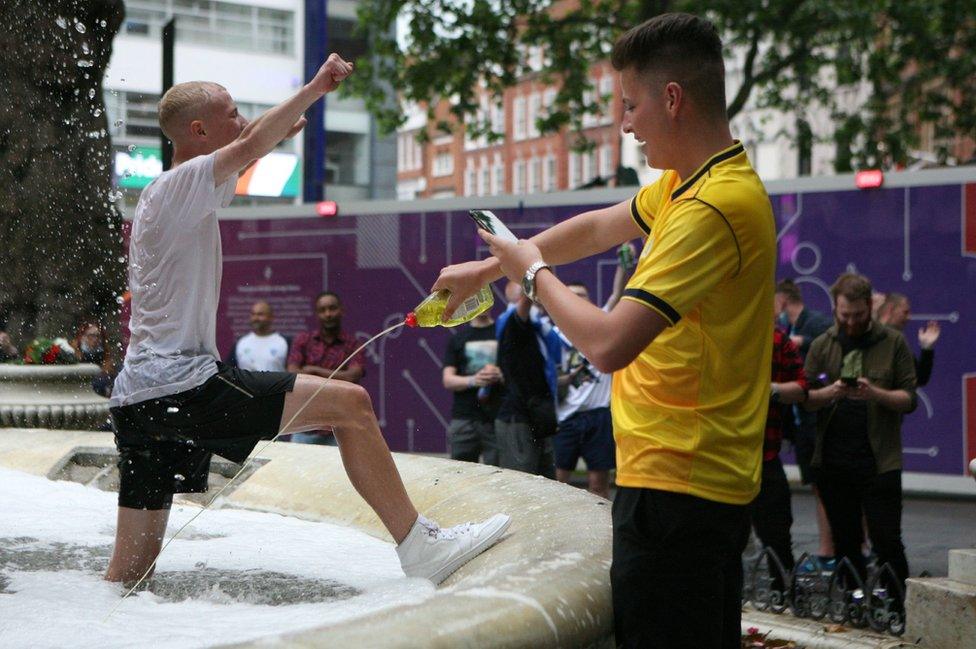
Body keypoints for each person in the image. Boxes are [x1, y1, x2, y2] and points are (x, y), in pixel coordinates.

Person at [432, 14, 775, 647]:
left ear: (671, 99)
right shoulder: (687, 185)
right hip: (677, 482)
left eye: (630, 104)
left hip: (681, 490)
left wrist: (529, 272)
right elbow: (595, 228)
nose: (625, 124)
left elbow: (609, 343)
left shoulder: (710, 207)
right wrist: (490, 266)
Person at [105, 53, 510, 588]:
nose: (241, 122)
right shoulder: (177, 186)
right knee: (353, 405)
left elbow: (245, 150)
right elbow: (247, 147)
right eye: (231, 113)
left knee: (129, 577)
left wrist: (274, 131)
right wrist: (317, 86)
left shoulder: (179, 195)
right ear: (198, 131)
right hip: (182, 386)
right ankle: (421, 547)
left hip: (137, 401)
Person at [803, 273, 916, 600]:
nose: (850, 322)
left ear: (870, 306)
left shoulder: (893, 343)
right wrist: (832, 392)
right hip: (834, 459)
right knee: (846, 541)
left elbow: (909, 399)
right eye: (844, 315)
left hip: (880, 461)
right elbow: (806, 397)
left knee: (887, 541)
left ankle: (898, 608)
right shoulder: (824, 344)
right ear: (836, 308)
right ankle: (852, 605)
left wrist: (874, 393)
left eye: (857, 315)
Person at [552, 250, 633, 499]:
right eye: (572, 297)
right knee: (559, 483)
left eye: (582, 296)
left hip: (598, 415)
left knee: (599, 483)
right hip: (566, 416)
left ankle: (601, 534)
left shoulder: (601, 325)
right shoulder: (553, 333)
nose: (577, 300)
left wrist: (623, 266)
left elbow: (617, 295)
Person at [774, 278, 835, 571]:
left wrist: (803, 343)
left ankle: (828, 551)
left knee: (824, 486)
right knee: (816, 486)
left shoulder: (814, 324)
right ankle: (829, 549)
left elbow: (833, 340)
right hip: (799, 425)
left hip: (815, 421)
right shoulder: (790, 329)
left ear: (782, 301)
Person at [753, 325, 807, 592]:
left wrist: (771, 389)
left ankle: (783, 596)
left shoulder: (777, 340)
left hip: (765, 453)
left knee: (777, 536)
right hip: (724, 454)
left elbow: (803, 386)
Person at [494, 283, 560, 478]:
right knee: (521, 482)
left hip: (540, 417)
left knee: (547, 483)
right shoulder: (512, 324)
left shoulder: (540, 332)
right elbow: (525, 300)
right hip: (517, 419)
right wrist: (532, 270)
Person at [286, 291, 365, 444]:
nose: (328, 314)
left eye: (332, 308)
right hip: (304, 427)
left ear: (342, 310)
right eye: (322, 310)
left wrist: (314, 370)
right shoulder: (303, 340)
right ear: (317, 314)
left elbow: (352, 376)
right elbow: (293, 373)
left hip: (341, 430)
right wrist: (336, 376)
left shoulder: (353, 344)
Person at [442, 309, 502, 465]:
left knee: (499, 476)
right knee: (460, 473)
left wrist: (500, 375)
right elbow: (448, 380)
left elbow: (518, 373)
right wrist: (473, 380)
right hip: (464, 417)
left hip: (497, 417)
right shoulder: (459, 338)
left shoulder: (503, 333)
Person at [877, 292, 940, 386]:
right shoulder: (868, 338)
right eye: (905, 312)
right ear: (890, 309)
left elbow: (919, 379)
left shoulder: (898, 342)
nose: (909, 317)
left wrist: (927, 348)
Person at [226, 300, 289, 372]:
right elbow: (229, 372)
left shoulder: (284, 342)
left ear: (271, 317)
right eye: (253, 314)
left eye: (260, 314)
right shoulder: (241, 342)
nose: (255, 318)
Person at [72, 321, 115, 398]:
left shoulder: (103, 350)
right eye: (91, 335)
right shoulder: (75, 349)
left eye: (97, 336)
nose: (95, 339)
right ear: (83, 336)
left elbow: (108, 369)